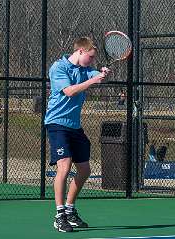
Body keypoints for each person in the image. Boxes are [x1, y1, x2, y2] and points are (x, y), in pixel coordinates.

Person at [44, 37, 110, 233]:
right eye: (90, 57)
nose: (91, 61)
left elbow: (96, 74)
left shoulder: (85, 69)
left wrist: (103, 74)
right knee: (64, 166)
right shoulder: (59, 68)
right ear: (80, 51)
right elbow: (70, 91)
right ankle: (59, 215)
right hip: (56, 123)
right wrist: (93, 79)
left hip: (75, 126)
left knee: (85, 170)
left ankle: (70, 210)